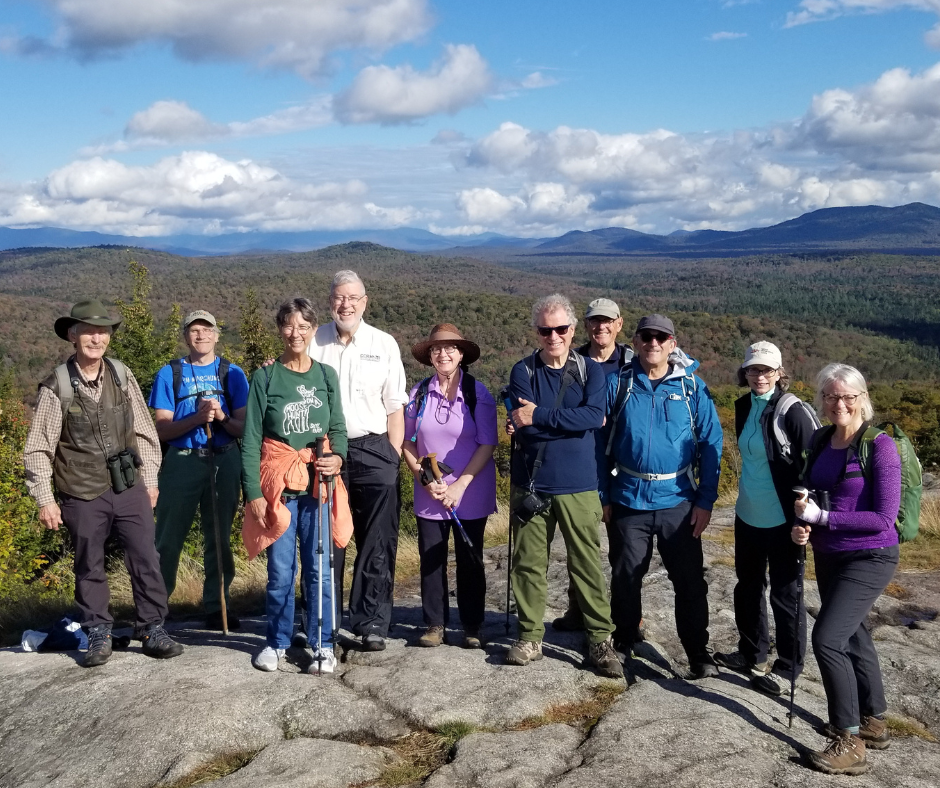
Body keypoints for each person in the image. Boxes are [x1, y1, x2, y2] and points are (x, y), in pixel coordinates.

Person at [23, 299, 183, 667]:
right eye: (89, 331)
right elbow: (38, 449)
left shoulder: (121, 375)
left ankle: (152, 628)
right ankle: (97, 631)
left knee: (146, 557)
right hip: (80, 490)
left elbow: (144, 431)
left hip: (128, 485)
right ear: (73, 335)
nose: (97, 338)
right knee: (89, 563)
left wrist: (150, 480)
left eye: (103, 331)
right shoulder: (57, 385)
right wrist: (45, 499)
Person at [505, 293, 623, 679]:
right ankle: (529, 636)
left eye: (560, 328)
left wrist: (538, 415)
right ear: (537, 332)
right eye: (545, 330)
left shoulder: (592, 371)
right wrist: (568, 420)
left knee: (586, 564)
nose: (553, 336)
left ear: (573, 330)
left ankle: (600, 639)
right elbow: (533, 425)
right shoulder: (523, 371)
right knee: (528, 564)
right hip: (532, 484)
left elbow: (593, 417)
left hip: (579, 485)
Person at [600, 314, 723, 678]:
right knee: (625, 576)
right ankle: (625, 640)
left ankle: (697, 652)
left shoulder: (691, 387)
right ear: (636, 341)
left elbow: (711, 443)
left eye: (661, 337)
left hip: (678, 500)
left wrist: (705, 501)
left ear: (672, 343)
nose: (653, 343)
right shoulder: (619, 383)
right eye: (647, 336)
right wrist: (603, 494)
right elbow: (598, 442)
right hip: (628, 497)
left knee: (688, 582)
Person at [793, 363, 900, 776]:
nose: (839, 403)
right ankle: (874, 720)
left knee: (827, 638)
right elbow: (812, 495)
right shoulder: (821, 440)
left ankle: (849, 738)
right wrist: (803, 524)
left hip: (870, 556)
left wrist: (822, 519)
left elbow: (883, 518)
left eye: (848, 397)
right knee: (853, 633)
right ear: (822, 399)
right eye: (831, 396)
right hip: (829, 554)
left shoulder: (880, 446)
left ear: (862, 398)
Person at [242, 298, 347, 673]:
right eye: (288, 325)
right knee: (280, 572)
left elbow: (338, 428)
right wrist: (253, 493)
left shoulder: (326, 377)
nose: (295, 333)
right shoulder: (265, 378)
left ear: (313, 330)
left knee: (320, 570)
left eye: (303, 326)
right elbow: (251, 439)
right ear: (280, 329)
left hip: (318, 487)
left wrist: (338, 458)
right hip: (279, 490)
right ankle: (277, 642)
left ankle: (323, 644)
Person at [309, 271, 408, 651]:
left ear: (365, 302)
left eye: (353, 298)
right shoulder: (313, 340)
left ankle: (372, 623)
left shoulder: (383, 343)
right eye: (339, 297)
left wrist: (392, 456)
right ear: (329, 301)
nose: (345, 304)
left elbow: (395, 406)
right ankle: (325, 623)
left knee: (377, 542)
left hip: (374, 447)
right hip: (323, 449)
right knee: (325, 539)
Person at [713, 342, 817, 695]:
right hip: (748, 513)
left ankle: (787, 667)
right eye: (753, 369)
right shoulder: (744, 405)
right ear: (744, 372)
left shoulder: (793, 411)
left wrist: (805, 518)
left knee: (785, 595)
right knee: (748, 586)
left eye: (767, 370)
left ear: (779, 373)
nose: (759, 376)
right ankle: (751, 653)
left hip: (783, 519)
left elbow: (814, 467)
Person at [150, 310, 249, 630]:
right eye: (194, 330)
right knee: (168, 537)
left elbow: (242, 428)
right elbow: (162, 430)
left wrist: (219, 417)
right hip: (182, 460)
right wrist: (197, 418)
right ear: (185, 336)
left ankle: (218, 606)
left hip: (224, 458)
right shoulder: (170, 373)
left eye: (207, 330)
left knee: (219, 537)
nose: (201, 335)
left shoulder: (233, 373)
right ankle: (155, 609)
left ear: (217, 335)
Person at [403, 324, 497, 649]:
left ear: (460, 355)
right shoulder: (418, 394)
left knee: (470, 558)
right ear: (430, 355)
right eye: (436, 349)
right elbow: (407, 442)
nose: (443, 354)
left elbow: (487, 443)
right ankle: (435, 624)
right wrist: (425, 479)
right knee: (431, 559)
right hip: (430, 489)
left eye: (450, 348)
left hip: (471, 490)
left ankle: (472, 625)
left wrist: (459, 487)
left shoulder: (477, 393)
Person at [553, 297, 634, 633]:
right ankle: (578, 610)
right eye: (595, 321)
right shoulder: (572, 361)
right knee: (579, 546)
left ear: (619, 324)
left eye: (608, 321)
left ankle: (627, 615)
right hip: (582, 463)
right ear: (585, 326)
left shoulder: (631, 363)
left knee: (624, 548)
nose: (601, 327)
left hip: (623, 467)